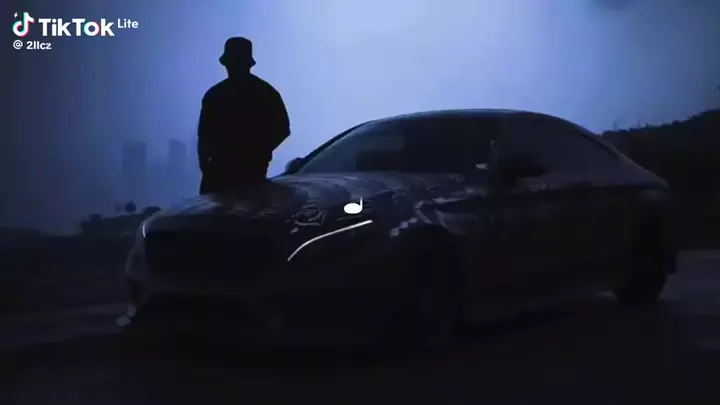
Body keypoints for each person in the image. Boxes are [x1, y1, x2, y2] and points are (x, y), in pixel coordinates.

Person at [197, 37, 290, 194]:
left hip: (236, 174)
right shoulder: (266, 93)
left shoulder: (215, 95)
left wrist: (256, 152)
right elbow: (283, 129)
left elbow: (204, 138)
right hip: (235, 174)